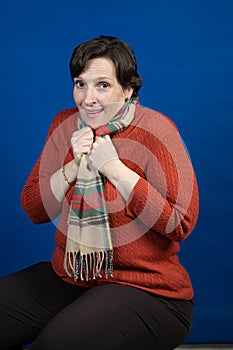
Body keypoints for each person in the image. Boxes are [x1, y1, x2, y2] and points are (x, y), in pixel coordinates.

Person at [0, 35, 199, 350]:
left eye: (103, 85)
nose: (88, 98)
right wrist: (71, 167)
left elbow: (180, 223)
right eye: (81, 84)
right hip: (73, 278)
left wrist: (115, 169)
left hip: (151, 292)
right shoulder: (64, 125)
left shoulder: (158, 131)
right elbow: (34, 210)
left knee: (58, 345)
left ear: (128, 90)